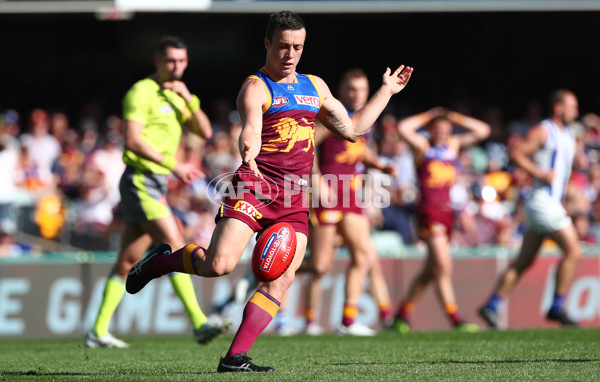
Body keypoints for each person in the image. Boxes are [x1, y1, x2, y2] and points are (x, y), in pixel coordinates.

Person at [126, 11, 413, 372]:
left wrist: (386, 90)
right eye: (282, 46)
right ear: (267, 44)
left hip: (294, 198)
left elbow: (354, 129)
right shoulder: (256, 87)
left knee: (282, 279)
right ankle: (160, 262)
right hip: (255, 186)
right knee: (218, 265)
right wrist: (249, 151)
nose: (290, 54)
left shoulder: (315, 87)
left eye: (297, 47)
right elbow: (250, 129)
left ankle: (234, 357)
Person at [85, 36, 228, 348]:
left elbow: (204, 131)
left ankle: (97, 330)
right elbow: (133, 140)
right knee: (175, 243)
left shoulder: (179, 94)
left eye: (181, 61)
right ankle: (199, 322)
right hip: (140, 179)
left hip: (156, 182)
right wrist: (174, 164)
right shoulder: (141, 91)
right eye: (170, 61)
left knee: (126, 261)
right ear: (157, 61)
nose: (176, 67)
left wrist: (188, 97)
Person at [479, 89, 581, 328]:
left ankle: (492, 304)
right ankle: (556, 306)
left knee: (523, 262)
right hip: (541, 202)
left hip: (548, 203)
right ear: (557, 108)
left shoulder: (568, 133)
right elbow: (515, 153)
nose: (575, 112)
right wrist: (539, 173)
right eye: (571, 107)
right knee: (573, 251)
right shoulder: (544, 131)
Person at [305, 68, 395, 336]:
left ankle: (347, 321)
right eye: (351, 89)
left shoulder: (365, 122)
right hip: (328, 197)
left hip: (351, 198)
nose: (356, 94)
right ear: (341, 91)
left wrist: (380, 165)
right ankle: (268, 273)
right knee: (321, 266)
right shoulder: (331, 116)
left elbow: (358, 148)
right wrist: (318, 180)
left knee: (364, 256)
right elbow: (306, 145)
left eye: (362, 89)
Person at [391, 107, 490, 333]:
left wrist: (456, 117)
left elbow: (483, 130)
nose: (442, 133)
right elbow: (404, 128)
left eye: (446, 129)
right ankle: (455, 319)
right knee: (444, 265)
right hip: (429, 211)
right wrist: (428, 115)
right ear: (430, 130)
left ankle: (401, 315)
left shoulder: (452, 147)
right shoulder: (424, 147)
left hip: (448, 213)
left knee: (431, 270)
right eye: (437, 129)